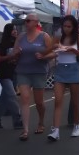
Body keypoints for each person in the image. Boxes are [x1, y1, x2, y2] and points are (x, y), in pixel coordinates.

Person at [13, 13, 55, 141]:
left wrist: (43, 56)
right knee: (24, 98)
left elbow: (53, 53)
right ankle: (25, 130)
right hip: (23, 71)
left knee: (38, 102)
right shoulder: (21, 37)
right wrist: (16, 53)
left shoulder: (44, 36)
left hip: (39, 71)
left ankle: (41, 122)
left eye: (28, 21)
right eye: (25, 21)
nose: (26, 23)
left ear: (36, 22)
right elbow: (14, 54)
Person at [48, 15, 79, 140]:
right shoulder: (58, 37)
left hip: (73, 69)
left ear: (74, 27)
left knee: (75, 101)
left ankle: (77, 125)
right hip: (60, 69)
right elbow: (50, 51)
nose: (66, 29)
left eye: (69, 26)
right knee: (58, 100)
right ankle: (55, 130)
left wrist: (73, 50)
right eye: (64, 26)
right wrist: (52, 51)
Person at [0, 24, 23, 130]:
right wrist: (12, 56)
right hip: (4, 73)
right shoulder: (3, 44)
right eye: (13, 29)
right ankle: (17, 120)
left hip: (14, 73)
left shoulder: (17, 43)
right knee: (12, 96)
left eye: (15, 29)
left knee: (4, 99)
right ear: (8, 31)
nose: (15, 31)